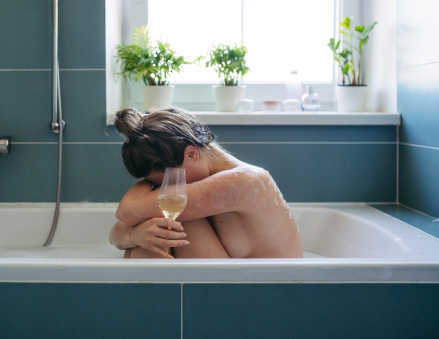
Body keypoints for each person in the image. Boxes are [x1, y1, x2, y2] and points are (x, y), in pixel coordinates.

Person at [109, 107, 302, 259]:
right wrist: (133, 235)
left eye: (170, 181)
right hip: (239, 287)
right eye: (158, 186)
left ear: (191, 154)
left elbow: (126, 212)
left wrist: (131, 232)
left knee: (169, 224)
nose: (170, 188)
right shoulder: (208, 184)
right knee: (155, 235)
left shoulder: (243, 181)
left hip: (264, 294)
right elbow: (118, 230)